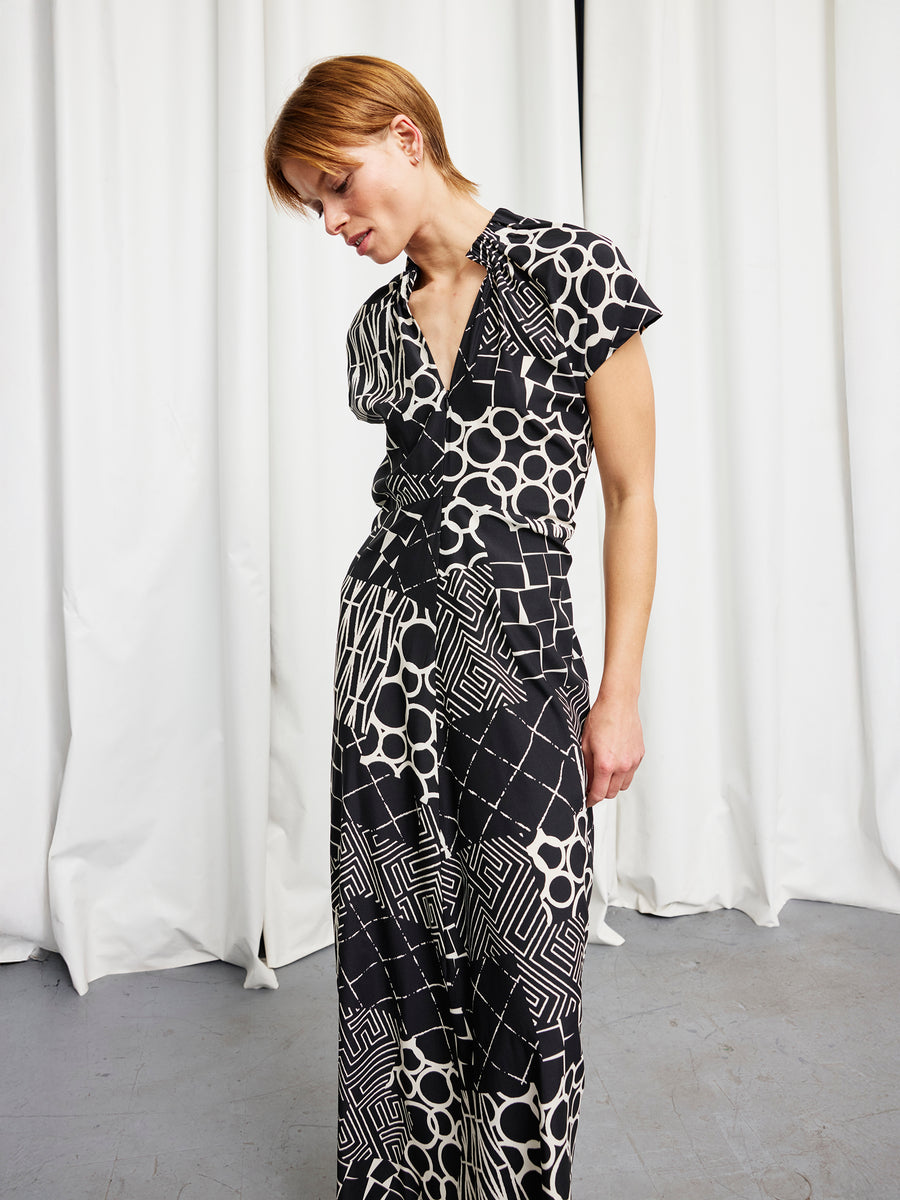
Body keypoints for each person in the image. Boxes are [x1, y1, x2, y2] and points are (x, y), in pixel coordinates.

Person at [264, 54, 661, 1200]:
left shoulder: (574, 273)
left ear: (405, 138)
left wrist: (619, 695)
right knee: (391, 945)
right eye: (312, 203)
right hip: (384, 647)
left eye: (336, 185)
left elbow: (633, 496)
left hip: (522, 659)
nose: (333, 220)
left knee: (525, 959)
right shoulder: (378, 331)